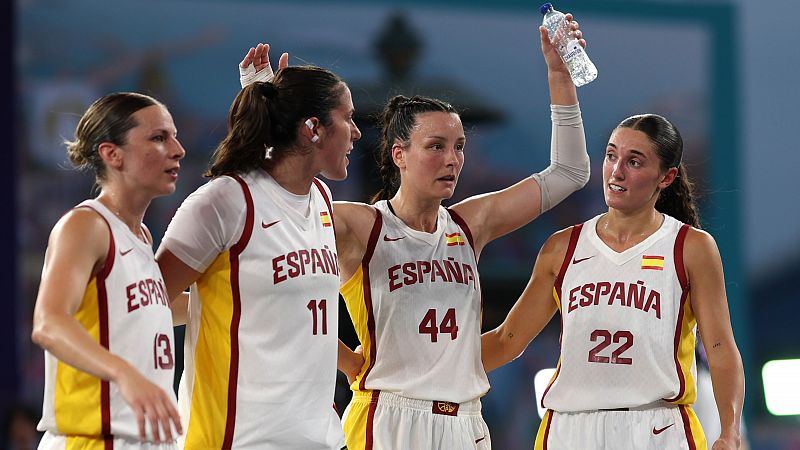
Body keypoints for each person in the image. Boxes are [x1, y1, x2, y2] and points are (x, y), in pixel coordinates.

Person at [331, 18, 590, 449]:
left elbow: (569, 172)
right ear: (400, 155)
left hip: (466, 423)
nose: (452, 159)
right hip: (389, 416)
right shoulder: (361, 225)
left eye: (459, 147)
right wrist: (346, 360)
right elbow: (281, 239)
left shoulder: (471, 223)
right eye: (436, 146)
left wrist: (559, 76)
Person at [481, 114, 745, 449]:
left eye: (634, 161)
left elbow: (721, 348)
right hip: (570, 428)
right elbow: (507, 340)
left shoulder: (691, 247)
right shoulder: (562, 247)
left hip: (656, 426)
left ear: (667, 177)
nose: (617, 171)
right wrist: (425, 368)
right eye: (610, 156)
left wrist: (731, 432)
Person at [154, 52, 361, 449]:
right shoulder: (226, 201)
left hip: (318, 437)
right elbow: (145, 305)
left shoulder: (320, 198)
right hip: (237, 438)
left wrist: (347, 362)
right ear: (313, 128)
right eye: (347, 117)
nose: (356, 132)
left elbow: (288, 312)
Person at [31, 92, 185, 449]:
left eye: (174, 136)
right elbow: (49, 322)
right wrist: (123, 372)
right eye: (159, 137)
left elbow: (139, 313)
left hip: (144, 438)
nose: (177, 149)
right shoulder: (86, 225)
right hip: (94, 438)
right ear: (112, 154)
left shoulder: (142, 236)